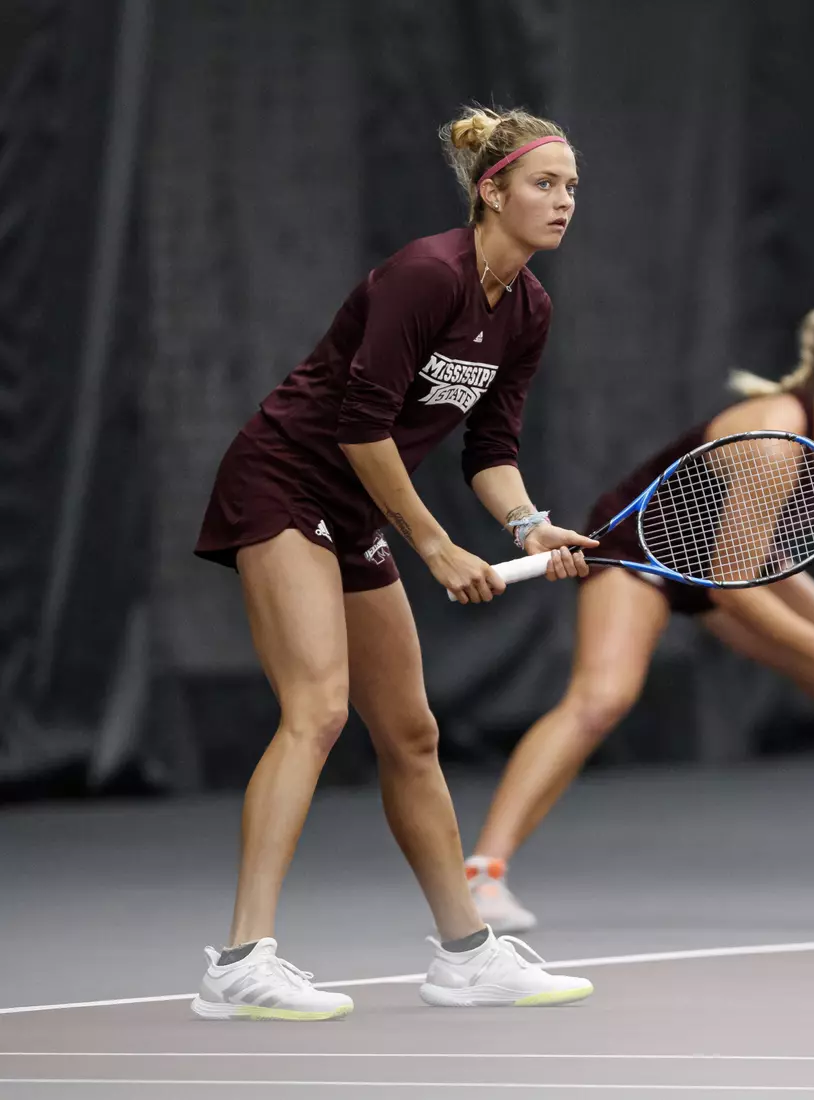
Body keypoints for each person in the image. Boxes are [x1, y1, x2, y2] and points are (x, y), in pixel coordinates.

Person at [189, 105, 600, 1019]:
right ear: (491, 191)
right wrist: (436, 543)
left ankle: (466, 955)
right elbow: (360, 425)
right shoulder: (425, 274)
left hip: (357, 504)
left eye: (572, 186)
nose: (564, 201)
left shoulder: (528, 308)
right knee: (319, 708)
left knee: (411, 733)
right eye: (545, 183)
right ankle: (239, 962)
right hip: (284, 481)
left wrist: (529, 526)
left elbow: (489, 448)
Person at [466, 296, 814, 930]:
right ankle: (480, 878)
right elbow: (731, 590)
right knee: (601, 699)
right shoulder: (775, 436)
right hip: (644, 552)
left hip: (737, 558)